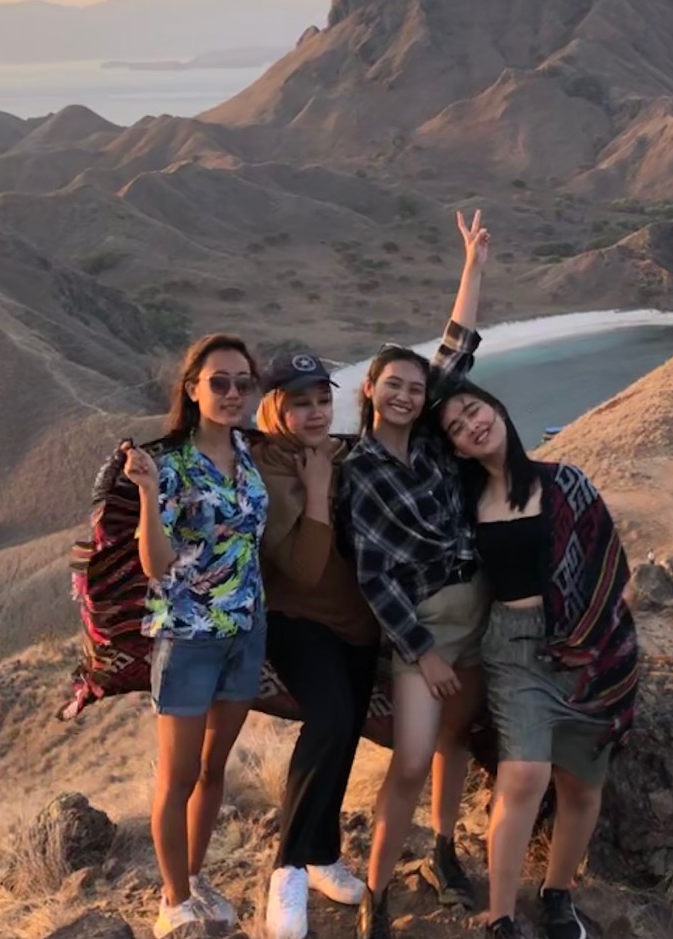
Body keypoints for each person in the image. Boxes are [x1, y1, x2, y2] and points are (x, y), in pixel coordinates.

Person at [432, 381, 640, 939]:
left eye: (474, 410)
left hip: (586, 650)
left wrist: (594, 641)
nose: (472, 424)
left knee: (581, 786)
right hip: (514, 648)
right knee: (523, 773)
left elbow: (609, 566)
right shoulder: (465, 504)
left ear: (496, 409)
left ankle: (557, 895)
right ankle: (500, 915)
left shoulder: (565, 481)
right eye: (457, 427)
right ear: (455, 448)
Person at [345, 210, 491, 939]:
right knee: (408, 757)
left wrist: (470, 267)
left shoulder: (434, 441)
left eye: (412, 386)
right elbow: (374, 576)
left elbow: (455, 353)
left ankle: (441, 847)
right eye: (392, 385)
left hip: (479, 611)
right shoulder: (358, 471)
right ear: (369, 391)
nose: (405, 394)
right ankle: (374, 888)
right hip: (422, 625)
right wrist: (423, 651)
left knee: (457, 741)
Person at [122, 334, 270, 938]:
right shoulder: (173, 463)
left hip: (246, 630)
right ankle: (174, 898)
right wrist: (147, 494)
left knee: (215, 770)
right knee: (177, 778)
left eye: (242, 382)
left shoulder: (248, 453)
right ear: (192, 389)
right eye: (220, 382)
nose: (233, 393)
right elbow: (156, 565)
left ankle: (196, 874)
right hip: (187, 636)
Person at [254, 348, 380, 939]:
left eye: (323, 400)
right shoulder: (272, 469)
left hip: (356, 623)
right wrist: (320, 489)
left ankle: (324, 854)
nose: (315, 412)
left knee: (347, 732)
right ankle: (287, 871)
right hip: (299, 618)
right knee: (328, 722)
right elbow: (302, 569)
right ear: (275, 408)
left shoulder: (336, 452)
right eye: (300, 402)